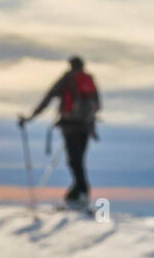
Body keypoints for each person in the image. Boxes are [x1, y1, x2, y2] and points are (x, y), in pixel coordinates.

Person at [19, 57, 100, 206]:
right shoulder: (89, 81)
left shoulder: (66, 80)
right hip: (85, 126)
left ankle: (79, 193)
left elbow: (48, 98)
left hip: (69, 125)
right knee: (78, 160)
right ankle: (78, 192)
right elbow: (98, 104)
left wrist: (31, 117)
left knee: (73, 161)